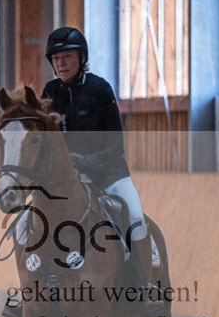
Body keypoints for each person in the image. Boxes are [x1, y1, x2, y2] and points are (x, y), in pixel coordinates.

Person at [40, 26, 153, 289]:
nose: (61, 63)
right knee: (30, 220)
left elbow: (116, 145)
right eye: (56, 59)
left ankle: (144, 286)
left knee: (135, 216)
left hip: (109, 174)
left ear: (81, 57)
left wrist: (87, 161)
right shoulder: (50, 92)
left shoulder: (100, 89)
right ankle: (32, 289)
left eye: (66, 57)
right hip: (67, 180)